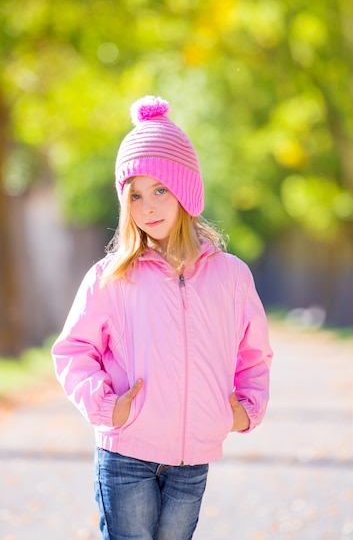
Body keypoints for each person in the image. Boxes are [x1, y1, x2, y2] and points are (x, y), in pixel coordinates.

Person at [51, 95, 273, 540]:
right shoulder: (111, 277)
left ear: (186, 191)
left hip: (193, 460)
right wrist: (107, 406)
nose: (147, 206)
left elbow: (254, 354)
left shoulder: (231, 276)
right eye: (135, 194)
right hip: (126, 454)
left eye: (160, 190)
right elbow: (74, 351)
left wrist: (243, 411)